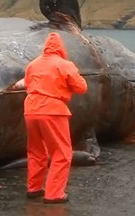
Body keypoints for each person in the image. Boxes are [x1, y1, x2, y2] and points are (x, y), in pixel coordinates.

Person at [23, 32, 87, 204]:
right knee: (61, 153)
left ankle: (34, 188)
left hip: (30, 110)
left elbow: (28, 84)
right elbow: (81, 87)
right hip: (52, 110)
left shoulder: (32, 64)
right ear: (61, 48)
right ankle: (54, 194)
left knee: (36, 151)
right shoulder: (65, 64)